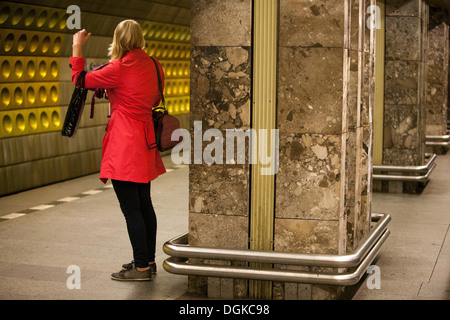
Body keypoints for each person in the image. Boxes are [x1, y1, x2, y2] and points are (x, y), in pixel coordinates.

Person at [70, 20, 166, 281]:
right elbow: (155, 99)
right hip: (146, 143)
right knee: (144, 204)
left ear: (118, 40)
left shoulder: (118, 67)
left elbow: (80, 80)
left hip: (125, 145)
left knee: (131, 209)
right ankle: (148, 260)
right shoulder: (155, 65)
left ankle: (141, 268)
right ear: (140, 38)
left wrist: (77, 46)